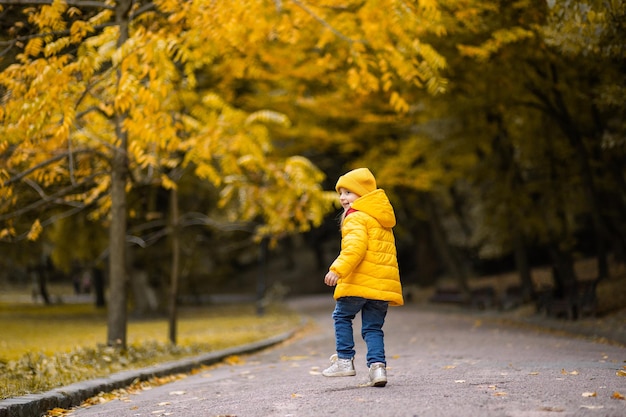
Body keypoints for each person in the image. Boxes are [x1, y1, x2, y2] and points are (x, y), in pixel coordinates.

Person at [322, 167, 403, 387]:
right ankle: (378, 369)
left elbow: (354, 249)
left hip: (359, 283)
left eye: (348, 192)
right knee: (373, 328)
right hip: (381, 287)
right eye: (340, 193)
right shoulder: (380, 218)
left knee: (342, 317)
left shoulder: (356, 218)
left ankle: (345, 360)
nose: (342, 198)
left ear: (363, 194)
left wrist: (337, 269)